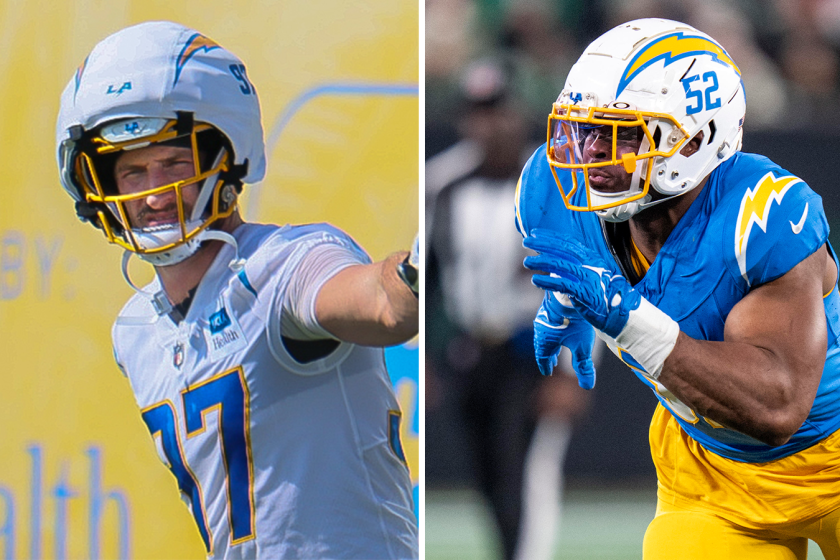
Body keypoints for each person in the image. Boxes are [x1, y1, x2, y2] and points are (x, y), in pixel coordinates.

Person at [55, 21, 419, 559]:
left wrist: (413, 271)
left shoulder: (282, 266)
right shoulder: (134, 332)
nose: (154, 193)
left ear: (227, 157)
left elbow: (384, 305)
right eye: (132, 171)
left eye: (174, 162)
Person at [515, 18, 840, 560]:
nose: (590, 152)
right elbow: (586, 264)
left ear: (697, 139)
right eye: (583, 127)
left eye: (621, 132)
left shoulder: (759, 216)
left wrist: (626, 318)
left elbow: (777, 408)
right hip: (710, 473)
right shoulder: (551, 193)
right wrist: (571, 304)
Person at [426, 57, 594, 560]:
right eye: (477, 112)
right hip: (473, 349)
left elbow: (584, 284)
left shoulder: (559, 184)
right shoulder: (443, 183)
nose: (487, 124)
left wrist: (572, 370)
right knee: (489, 479)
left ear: (519, 112)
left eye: (496, 110)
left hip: (534, 349)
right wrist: (424, 360)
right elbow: (428, 276)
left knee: (529, 474)